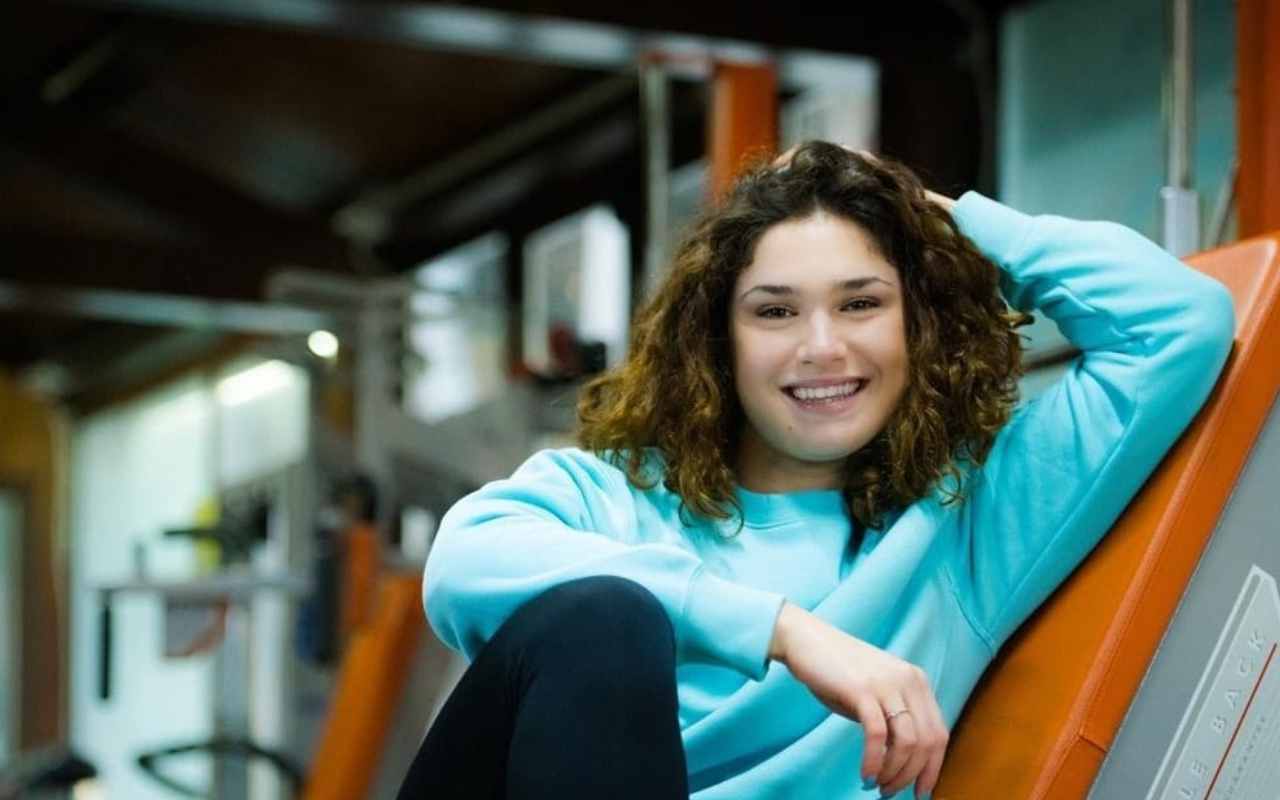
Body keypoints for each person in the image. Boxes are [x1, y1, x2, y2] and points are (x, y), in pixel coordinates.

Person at [395, 141, 1235, 800]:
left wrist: (930, 217)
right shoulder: (618, 494)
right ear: (718, 342)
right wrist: (788, 634)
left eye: (862, 302)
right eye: (775, 312)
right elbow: (466, 558)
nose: (822, 347)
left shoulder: (965, 521)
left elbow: (1177, 323)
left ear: (918, 323)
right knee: (605, 616)